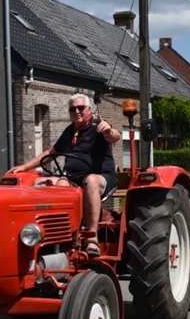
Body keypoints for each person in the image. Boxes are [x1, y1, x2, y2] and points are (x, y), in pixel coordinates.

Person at [8, 93, 121, 256]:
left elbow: (114, 136)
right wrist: (24, 167)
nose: (77, 111)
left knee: (90, 180)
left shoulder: (98, 126)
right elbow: (51, 152)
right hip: (73, 178)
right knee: (41, 183)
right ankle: (50, 235)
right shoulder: (69, 131)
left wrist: (109, 130)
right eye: (72, 109)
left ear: (89, 109)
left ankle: (92, 237)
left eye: (80, 108)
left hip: (101, 177)